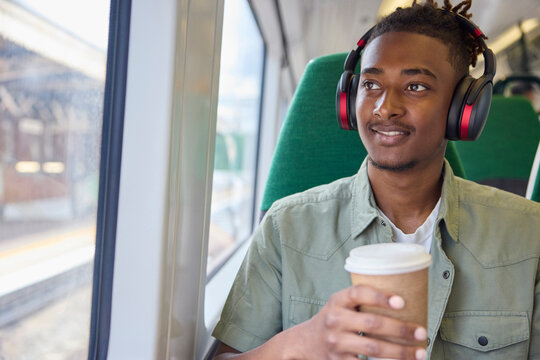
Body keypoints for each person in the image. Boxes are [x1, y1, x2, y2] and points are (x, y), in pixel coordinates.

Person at [212, 1, 540, 359]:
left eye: (415, 86)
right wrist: (300, 343)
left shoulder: (529, 233)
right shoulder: (285, 227)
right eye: (371, 84)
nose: (385, 107)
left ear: (463, 107)